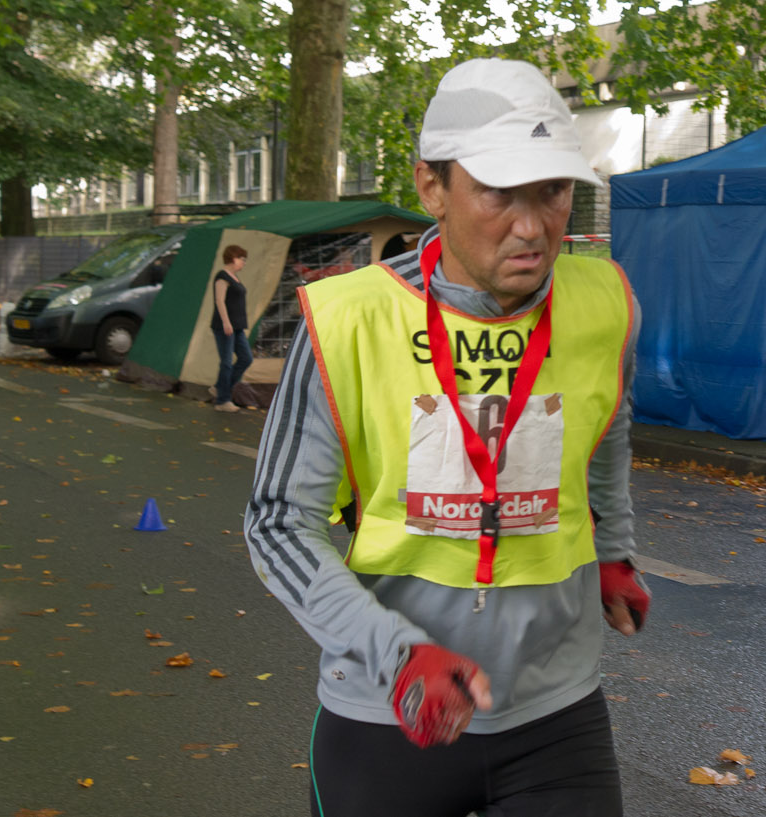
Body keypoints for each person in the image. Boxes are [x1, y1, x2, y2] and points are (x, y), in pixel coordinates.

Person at [243, 58, 649, 817]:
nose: (533, 226)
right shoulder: (350, 318)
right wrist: (398, 652)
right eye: (500, 192)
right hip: (387, 713)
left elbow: (609, 426)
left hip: (555, 714)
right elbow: (276, 523)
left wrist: (612, 548)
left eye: (554, 191)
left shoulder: (606, 301)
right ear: (432, 187)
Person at [210, 245, 252, 412]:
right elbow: (219, 301)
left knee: (246, 358)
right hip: (225, 326)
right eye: (242, 259)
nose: (244, 263)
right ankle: (223, 401)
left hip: (238, 326)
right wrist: (226, 322)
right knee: (226, 362)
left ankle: (221, 386)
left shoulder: (234, 277)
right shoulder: (222, 277)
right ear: (234, 258)